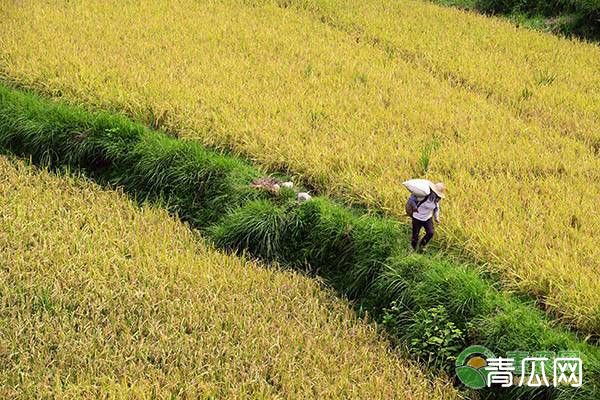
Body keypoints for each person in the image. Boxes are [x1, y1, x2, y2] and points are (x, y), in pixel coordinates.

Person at [407, 182, 446, 251]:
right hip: (417, 217)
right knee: (415, 235)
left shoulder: (436, 199)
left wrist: (436, 217)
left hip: (427, 218)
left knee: (430, 232)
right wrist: (414, 207)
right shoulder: (424, 195)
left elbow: (436, 208)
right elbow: (411, 199)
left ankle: (422, 245)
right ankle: (413, 248)